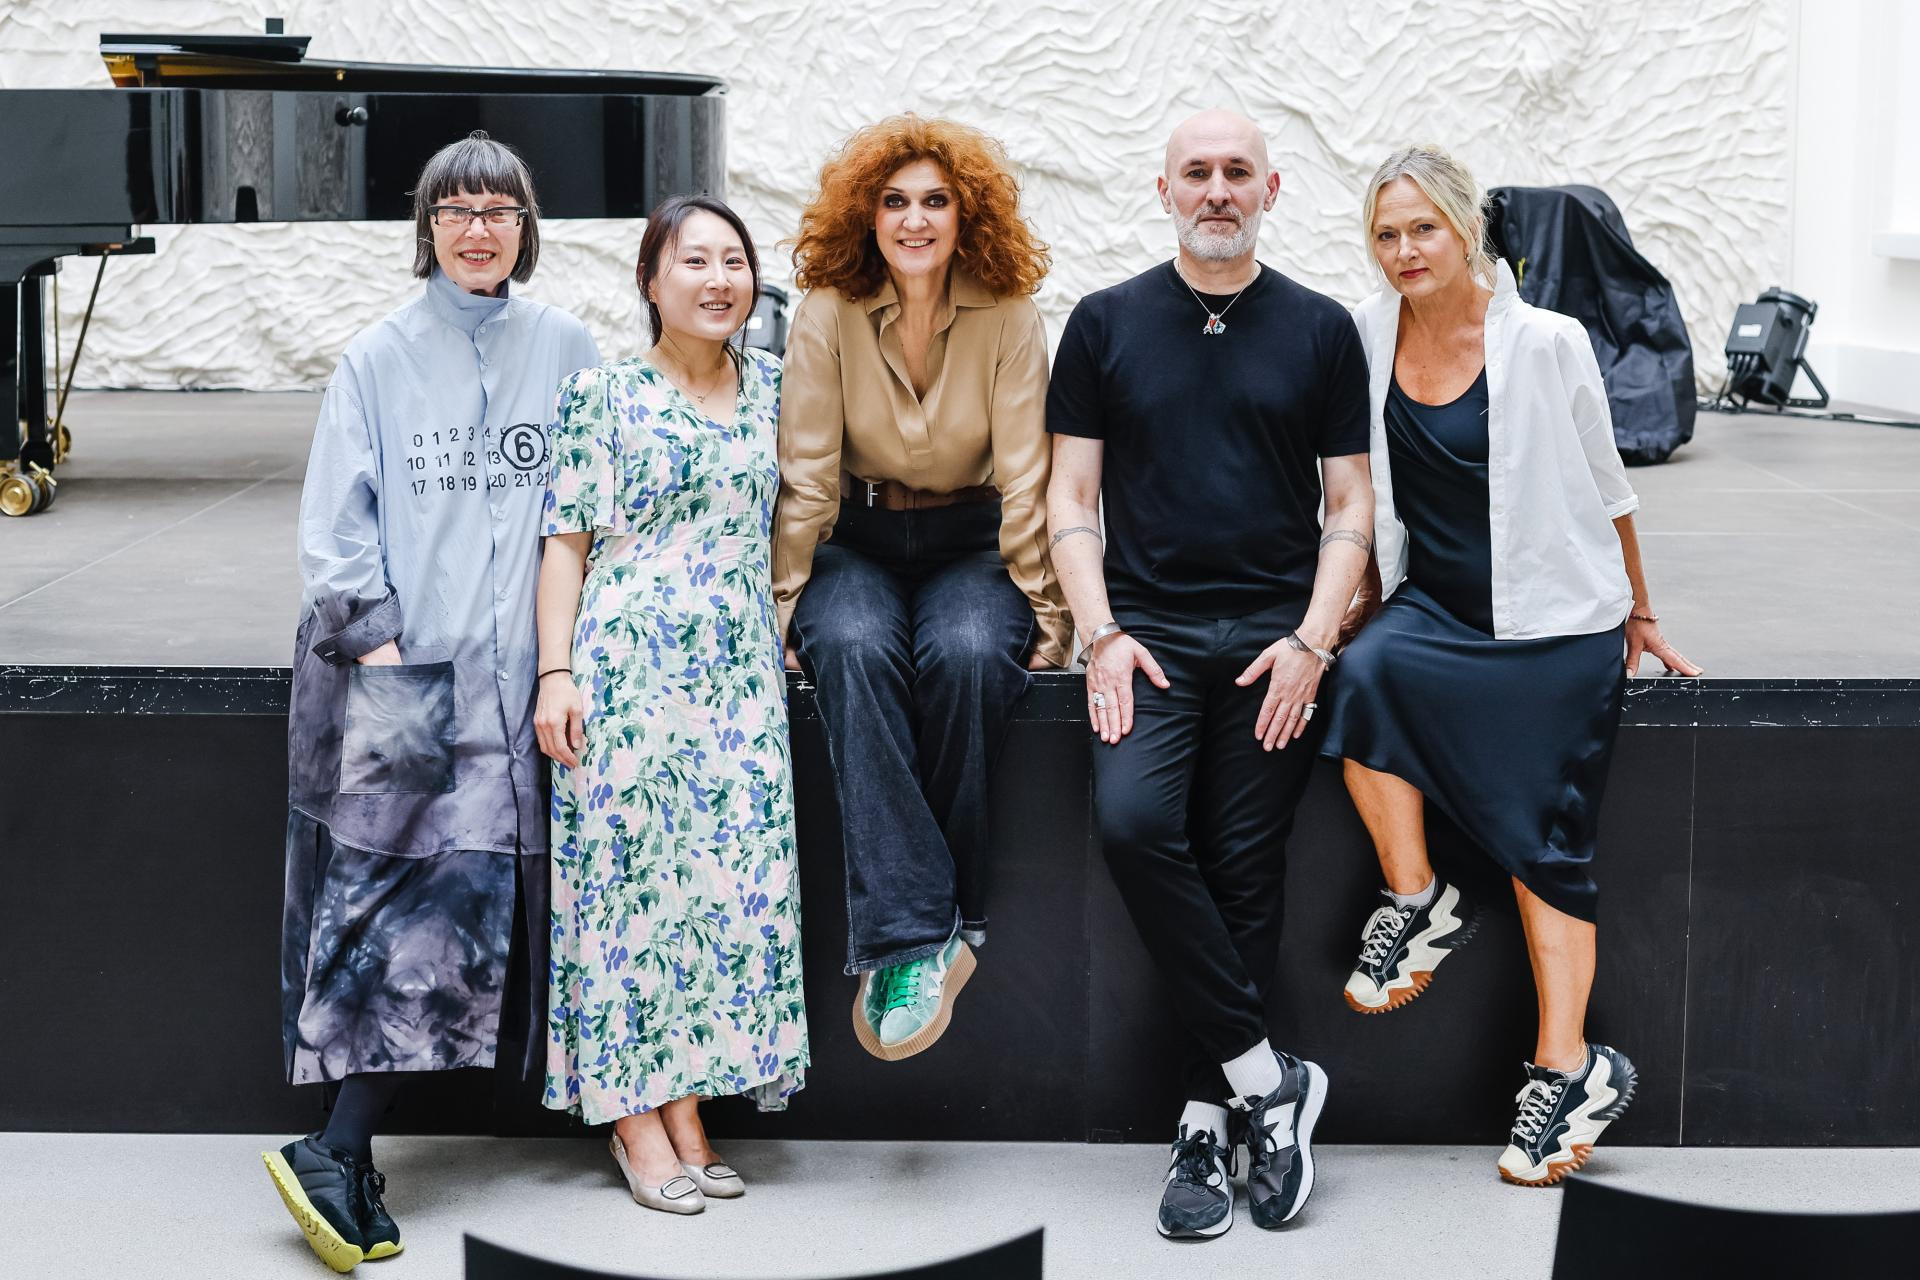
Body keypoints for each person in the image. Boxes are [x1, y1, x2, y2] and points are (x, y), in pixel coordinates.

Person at [1321, 144, 1702, 1188]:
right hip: (1438, 605)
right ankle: (1419, 898)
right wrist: (1358, 598)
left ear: (1465, 229)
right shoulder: (1365, 333)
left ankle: (1567, 1068)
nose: (1405, 250)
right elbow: (1359, 485)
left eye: (1424, 228)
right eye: (1387, 234)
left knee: (1544, 843)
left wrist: (1639, 611)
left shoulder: (1545, 341)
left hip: (1552, 624)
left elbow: (1611, 487)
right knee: (1360, 681)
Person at [269, 131, 599, 1273]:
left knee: (467, 907)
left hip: (532, 676)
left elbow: (590, 509)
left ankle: (343, 1149)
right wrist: (390, 664)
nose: (477, 229)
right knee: (397, 909)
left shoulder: (568, 348)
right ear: (428, 228)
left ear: (525, 227)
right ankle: (337, 1144)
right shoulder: (376, 357)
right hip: (406, 679)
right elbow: (336, 530)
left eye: (498, 210)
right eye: (455, 209)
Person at [1046, 109, 1374, 1240]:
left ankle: (1205, 1122)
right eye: (1198, 172)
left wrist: (1313, 640)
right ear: (1165, 190)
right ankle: (1270, 1080)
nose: (1218, 189)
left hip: (1275, 643)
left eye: (1239, 172)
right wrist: (1099, 630)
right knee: (1136, 826)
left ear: (1271, 191)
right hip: (1149, 637)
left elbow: (1349, 505)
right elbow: (1070, 498)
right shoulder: (1104, 323)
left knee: (1244, 869)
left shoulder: (1322, 329)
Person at [774, 114, 1069, 1060]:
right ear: (867, 216)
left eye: (935, 201)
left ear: (964, 214)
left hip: (971, 540)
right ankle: (924, 936)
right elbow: (807, 475)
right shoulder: (826, 309)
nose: (914, 220)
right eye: (895, 202)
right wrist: (782, 606)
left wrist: (1049, 611)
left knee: (976, 653)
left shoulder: (1011, 314)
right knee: (851, 646)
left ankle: (927, 931)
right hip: (855, 538)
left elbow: (1026, 477)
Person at [535, 194, 809, 1216]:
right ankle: (631, 1117)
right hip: (627, 671)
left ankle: (688, 1106)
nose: (717, 279)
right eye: (693, 261)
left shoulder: (778, 386)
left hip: (737, 677)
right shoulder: (601, 395)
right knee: (627, 894)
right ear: (652, 280)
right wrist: (554, 674)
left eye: (734, 260)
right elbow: (565, 544)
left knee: (720, 891)